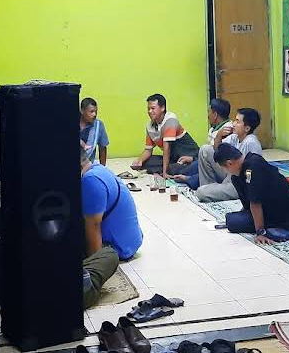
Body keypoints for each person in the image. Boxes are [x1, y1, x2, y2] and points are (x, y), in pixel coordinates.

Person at [80, 147, 142, 308]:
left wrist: (94, 263)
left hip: (119, 247)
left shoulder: (90, 181)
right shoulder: (97, 168)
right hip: (131, 240)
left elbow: (93, 226)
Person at [214, 144, 289, 245]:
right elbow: (248, 200)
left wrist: (260, 232)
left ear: (229, 163)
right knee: (235, 218)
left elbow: (255, 202)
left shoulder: (253, 167)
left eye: (223, 168)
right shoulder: (241, 172)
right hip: (267, 208)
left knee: (232, 222)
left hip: (282, 216)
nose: (225, 172)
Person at [191, 107, 265, 202]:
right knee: (205, 150)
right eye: (234, 120)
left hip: (240, 183)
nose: (233, 124)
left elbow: (256, 171)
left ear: (247, 128)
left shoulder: (251, 143)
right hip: (230, 174)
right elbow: (217, 152)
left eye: (237, 122)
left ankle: (210, 190)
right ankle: (209, 187)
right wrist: (219, 135)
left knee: (200, 192)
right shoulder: (235, 137)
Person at [167, 98, 231, 187]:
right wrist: (192, 158)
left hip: (220, 168)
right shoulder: (213, 129)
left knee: (181, 172)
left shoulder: (227, 131)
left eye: (209, 112)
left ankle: (189, 179)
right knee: (177, 168)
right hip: (205, 162)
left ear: (215, 115)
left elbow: (217, 158)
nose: (208, 115)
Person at [131, 93, 200, 176]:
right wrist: (139, 161)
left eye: (153, 108)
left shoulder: (170, 120)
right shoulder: (149, 126)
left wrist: (165, 173)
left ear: (162, 108)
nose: (150, 111)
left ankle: (175, 168)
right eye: (148, 109)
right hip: (173, 158)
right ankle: (173, 167)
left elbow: (167, 148)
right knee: (147, 161)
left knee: (179, 168)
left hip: (190, 156)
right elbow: (148, 150)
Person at [79, 97, 109, 166]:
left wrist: (102, 168)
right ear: (82, 111)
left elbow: (102, 148)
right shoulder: (70, 122)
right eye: (91, 111)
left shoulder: (98, 125)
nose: (94, 114)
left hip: (87, 166)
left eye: (96, 111)